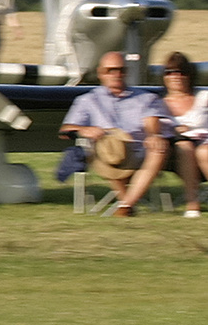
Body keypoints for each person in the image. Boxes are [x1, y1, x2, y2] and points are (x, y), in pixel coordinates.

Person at [59, 50, 173, 216]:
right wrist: (85, 130)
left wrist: (153, 135)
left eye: (121, 70)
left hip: (139, 151)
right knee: (110, 150)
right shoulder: (87, 101)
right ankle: (127, 205)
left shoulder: (146, 98)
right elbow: (65, 130)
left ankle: (126, 205)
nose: (116, 74)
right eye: (110, 70)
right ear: (100, 73)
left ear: (126, 72)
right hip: (108, 153)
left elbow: (151, 122)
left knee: (159, 147)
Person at [160, 51, 207, 218]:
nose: (176, 76)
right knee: (184, 146)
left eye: (182, 72)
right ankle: (192, 203)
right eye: (171, 72)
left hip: (204, 144)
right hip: (174, 151)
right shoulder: (158, 104)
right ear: (165, 76)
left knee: (204, 151)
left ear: (190, 75)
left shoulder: (203, 98)